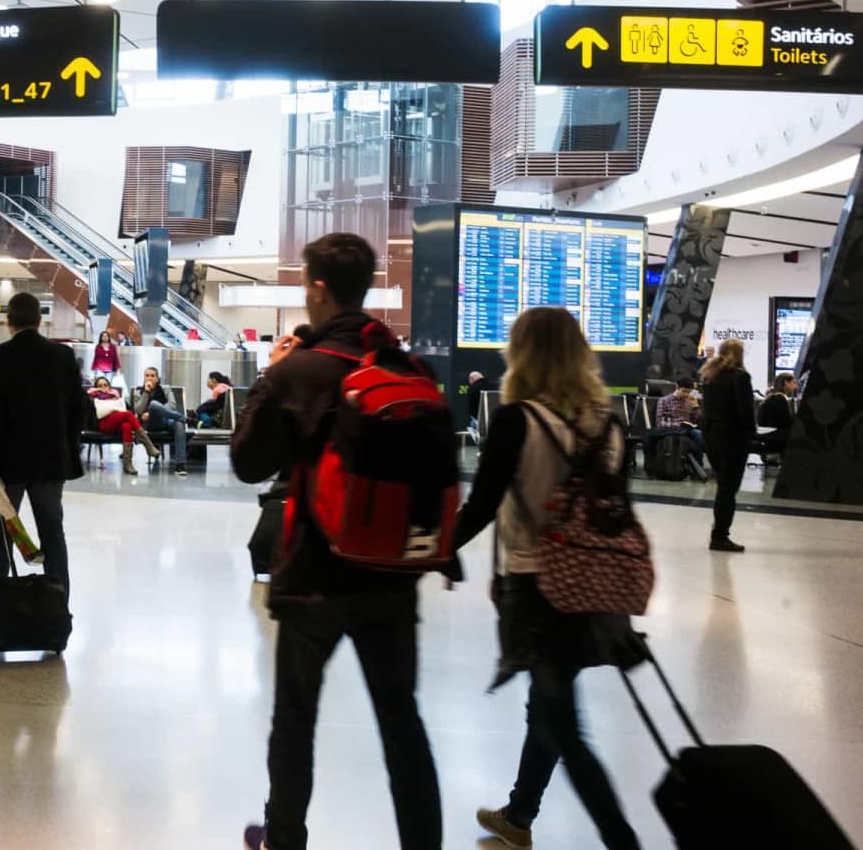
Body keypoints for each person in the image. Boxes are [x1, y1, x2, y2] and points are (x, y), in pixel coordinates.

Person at [234, 233, 443, 850]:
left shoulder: (299, 370)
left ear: (319, 289)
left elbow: (249, 463)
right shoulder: (405, 368)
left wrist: (272, 378)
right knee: (401, 723)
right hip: (391, 575)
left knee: (295, 719)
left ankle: (285, 839)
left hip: (315, 574)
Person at [452, 306, 645, 850]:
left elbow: (483, 505)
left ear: (522, 354)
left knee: (563, 723)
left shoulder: (518, 419)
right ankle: (518, 816)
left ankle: (621, 839)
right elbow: (614, 510)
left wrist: (431, 553)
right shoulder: (609, 423)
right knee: (549, 702)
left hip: (538, 587)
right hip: (595, 587)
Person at [0, 293, 85, 594]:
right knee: (53, 533)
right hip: (51, 462)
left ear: (7, 321)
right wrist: (68, 446)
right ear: (40, 320)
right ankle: (58, 606)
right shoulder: (62, 356)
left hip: (6, 465)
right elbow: (80, 409)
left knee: (0, 533)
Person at [699, 337, 757, 552]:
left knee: (723, 486)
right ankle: (720, 536)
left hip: (712, 436)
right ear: (739, 354)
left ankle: (719, 534)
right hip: (732, 438)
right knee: (728, 490)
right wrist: (751, 436)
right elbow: (745, 412)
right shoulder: (740, 377)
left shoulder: (709, 376)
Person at [88, 375, 159, 476]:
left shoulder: (116, 395)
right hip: (103, 424)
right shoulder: (92, 396)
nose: (103, 387)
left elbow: (130, 410)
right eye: (100, 385)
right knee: (127, 415)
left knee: (127, 426)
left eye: (105, 385)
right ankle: (148, 445)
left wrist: (115, 399)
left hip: (117, 424)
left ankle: (127, 464)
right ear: (96, 387)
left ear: (109, 386)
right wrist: (95, 392)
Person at [135, 366, 189, 476]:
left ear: (157, 379)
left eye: (152, 376)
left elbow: (172, 405)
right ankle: (186, 419)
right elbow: (138, 410)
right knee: (153, 404)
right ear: (144, 378)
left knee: (179, 424)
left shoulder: (166, 389)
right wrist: (146, 393)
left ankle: (180, 465)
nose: (149, 378)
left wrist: (155, 411)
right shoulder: (138, 392)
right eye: (147, 375)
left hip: (166, 421)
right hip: (150, 424)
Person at [756, 372, 797, 457]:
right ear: (786, 382)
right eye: (793, 382)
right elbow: (785, 422)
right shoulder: (779, 399)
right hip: (771, 435)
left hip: (767, 433)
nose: (795, 386)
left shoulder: (773, 397)